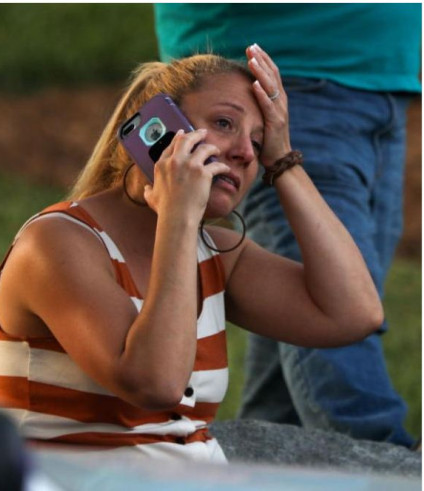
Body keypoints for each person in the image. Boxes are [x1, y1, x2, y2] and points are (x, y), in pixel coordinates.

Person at [0, 48, 383, 463]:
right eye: (224, 123)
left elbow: (354, 314)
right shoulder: (56, 242)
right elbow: (155, 383)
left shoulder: (215, 254)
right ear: (154, 129)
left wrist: (283, 160)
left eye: (258, 141)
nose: (246, 153)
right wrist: (177, 216)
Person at [154, 3, 421, 448]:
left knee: (282, 399)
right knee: (330, 332)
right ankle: (387, 459)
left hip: (380, 82)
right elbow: (342, 318)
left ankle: (258, 469)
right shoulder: (66, 240)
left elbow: (354, 313)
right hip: (283, 75)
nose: (245, 154)